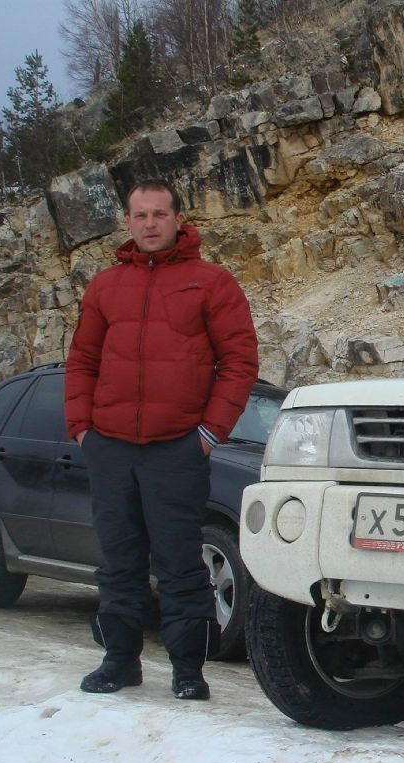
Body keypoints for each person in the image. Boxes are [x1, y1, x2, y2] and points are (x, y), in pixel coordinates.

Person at [65, 179, 259, 700]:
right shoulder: (105, 286)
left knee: (179, 563)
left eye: (159, 214)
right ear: (127, 222)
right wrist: (82, 429)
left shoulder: (211, 282)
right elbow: (82, 360)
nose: (149, 223)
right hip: (110, 446)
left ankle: (188, 672)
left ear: (178, 219)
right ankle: (120, 661)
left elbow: (239, 363)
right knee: (120, 560)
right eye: (139, 214)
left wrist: (207, 433)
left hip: (177, 447)